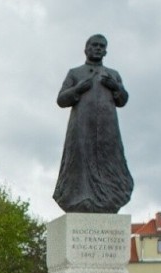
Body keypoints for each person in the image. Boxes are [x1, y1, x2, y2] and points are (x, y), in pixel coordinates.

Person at [53, 34, 134, 214]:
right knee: (79, 163)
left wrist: (115, 87)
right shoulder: (75, 73)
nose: (98, 48)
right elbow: (61, 100)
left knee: (110, 161)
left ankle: (109, 195)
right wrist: (78, 89)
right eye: (94, 45)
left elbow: (123, 100)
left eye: (101, 46)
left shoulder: (113, 74)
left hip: (107, 129)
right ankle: (78, 197)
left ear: (105, 51)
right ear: (86, 49)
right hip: (81, 129)